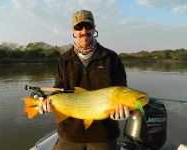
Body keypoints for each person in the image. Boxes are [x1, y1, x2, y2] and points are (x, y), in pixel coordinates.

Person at [40, 10, 129, 150]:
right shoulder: (64, 58)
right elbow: (58, 88)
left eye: (88, 26)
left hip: (104, 135)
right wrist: (47, 102)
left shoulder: (112, 57)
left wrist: (123, 110)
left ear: (94, 28)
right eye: (79, 27)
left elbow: (122, 90)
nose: (83, 31)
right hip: (70, 134)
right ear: (73, 31)